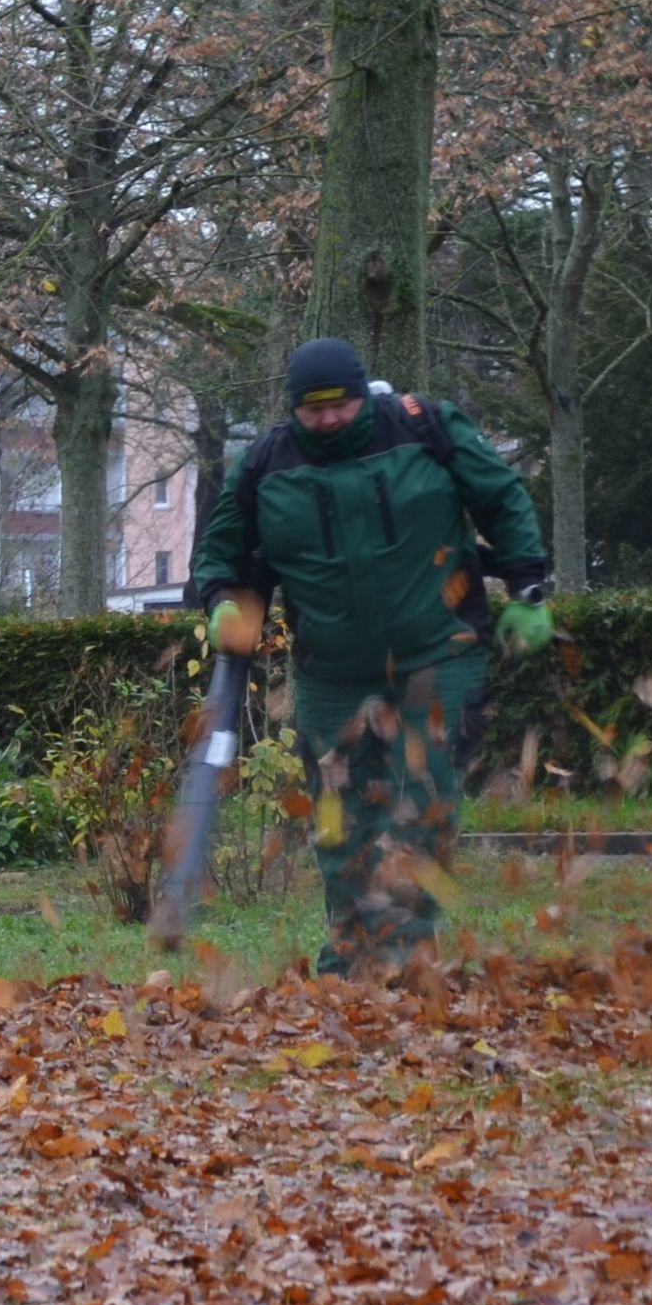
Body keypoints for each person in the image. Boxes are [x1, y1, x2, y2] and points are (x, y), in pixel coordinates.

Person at [189, 336, 552, 974]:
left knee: (422, 798)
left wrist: (528, 587)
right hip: (331, 671)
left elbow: (501, 496)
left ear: (364, 394)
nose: (330, 418)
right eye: (314, 408)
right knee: (340, 818)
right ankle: (354, 957)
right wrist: (221, 600)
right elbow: (219, 552)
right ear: (293, 408)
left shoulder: (426, 428)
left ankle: (405, 960)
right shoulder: (263, 466)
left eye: (342, 404)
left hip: (439, 650)